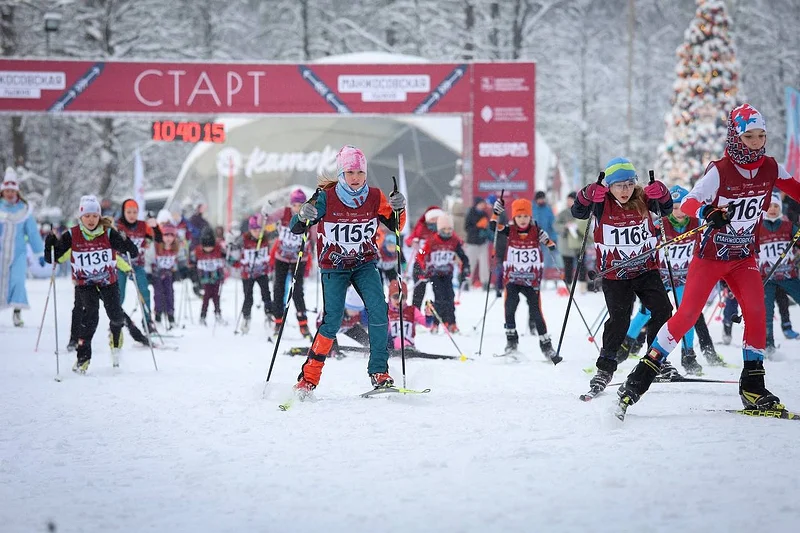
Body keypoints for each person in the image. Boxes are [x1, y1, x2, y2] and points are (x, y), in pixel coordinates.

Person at [618, 103, 800, 413]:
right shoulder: (720, 171)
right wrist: (708, 211)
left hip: (744, 256)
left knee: (756, 313)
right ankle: (640, 376)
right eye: (749, 137)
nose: (756, 143)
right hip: (711, 256)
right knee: (687, 315)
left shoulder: (771, 168)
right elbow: (688, 204)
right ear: (735, 137)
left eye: (761, 136)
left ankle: (753, 386)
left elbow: (795, 190)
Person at [291, 145, 406, 395]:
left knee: (379, 310)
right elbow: (296, 227)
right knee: (332, 321)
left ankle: (379, 372)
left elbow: (396, 225)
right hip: (334, 266)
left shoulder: (375, 197)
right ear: (341, 174)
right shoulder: (325, 197)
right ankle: (308, 379)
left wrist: (400, 207)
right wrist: (303, 214)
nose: (356, 178)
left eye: (360, 173)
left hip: (364, 263)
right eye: (350, 172)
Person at [571, 157, 674, 397]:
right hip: (615, 274)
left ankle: (654, 359)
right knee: (619, 319)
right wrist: (586, 194)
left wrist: (664, 195)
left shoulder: (643, 198)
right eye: (619, 185)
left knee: (663, 310)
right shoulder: (601, 202)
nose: (625, 190)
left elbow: (666, 209)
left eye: (629, 184)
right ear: (609, 186)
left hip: (646, 269)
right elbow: (578, 212)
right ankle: (605, 368)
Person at [616, 185, 726, 374]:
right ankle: (623, 347)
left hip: (684, 278)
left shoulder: (696, 223)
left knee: (687, 315)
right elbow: (643, 242)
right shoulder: (661, 225)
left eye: (682, 206)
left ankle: (688, 355)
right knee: (646, 312)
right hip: (661, 277)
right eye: (674, 207)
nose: (679, 211)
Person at [44, 195, 139, 373]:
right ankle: (83, 358)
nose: (91, 219)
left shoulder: (108, 232)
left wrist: (126, 242)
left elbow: (132, 253)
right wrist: (49, 244)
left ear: (99, 216)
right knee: (90, 318)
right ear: (81, 217)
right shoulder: (72, 235)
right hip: (85, 283)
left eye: (95, 216)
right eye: (87, 216)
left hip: (107, 281)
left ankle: (114, 337)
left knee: (117, 317)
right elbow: (52, 258)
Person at [491, 197, 559, 360]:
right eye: (519, 216)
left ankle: (546, 346)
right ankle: (512, 342)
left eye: (525, 216)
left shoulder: (536, 230)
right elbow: (493, 227)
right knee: (510, 309)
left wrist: (550, 244)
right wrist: (496, 212)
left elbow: (549, 242)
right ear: (514, 217)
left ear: (530, 217)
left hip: (531, 280)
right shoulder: (510, 229)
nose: (522, 220)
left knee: (536, 312)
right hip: (513, 279)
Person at [757, 191, 800, 356]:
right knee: (766, 313)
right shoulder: (758, 228)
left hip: (788, 276)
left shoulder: (788, 226)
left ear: (780, 208)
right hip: (766, 278)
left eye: (776, 206)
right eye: (769, 206)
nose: (772, 209)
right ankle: (768, 345)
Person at [0, 167, 44, 326]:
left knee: (18, 281)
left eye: (13, 191)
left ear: (17, 192)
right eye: (7, 191)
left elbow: (32, 233)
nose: (10, 194)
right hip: (0, 252)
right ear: (3, 192)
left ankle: (17, 313)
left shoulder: (25, 211)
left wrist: (40, 254)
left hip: (18, 254)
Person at [270, 188, 314, 340]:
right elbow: (268, 219)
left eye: (300, 204)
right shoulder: (284, 212)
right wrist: (266, 212)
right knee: (278, 288)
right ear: (291, 204)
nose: (297, 208)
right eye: (295, 204)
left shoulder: (308, 214)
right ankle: (277, 321)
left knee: (297, 291)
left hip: (299, 258)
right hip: (281, 256)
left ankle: (303, 324)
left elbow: (314, 235)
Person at [419, 213, 469, 333]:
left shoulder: (454, 241)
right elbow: (421, 255)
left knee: (450, 297)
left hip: (447, 274)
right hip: (434, 274)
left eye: (449, 229)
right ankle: (435, 323)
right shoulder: (432, 240)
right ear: (439, 229)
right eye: (444, 229)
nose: (447, 232)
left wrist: (465, 269)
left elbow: (462, 256)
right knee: (440, 298)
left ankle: (451, 323)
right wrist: (423, 269)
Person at [116, 199, 157, 329]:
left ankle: (147, 320)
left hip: (137, 264)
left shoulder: (143, 225)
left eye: (135, 212)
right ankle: (116, 321)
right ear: (124, 212)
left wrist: (152, 232)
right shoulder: (119, 226)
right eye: (129, 212)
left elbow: (153, 236)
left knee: (144, 291)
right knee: (119, 293)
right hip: (121, 265)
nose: (132, 215)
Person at [237, 214, 273, 334]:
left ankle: (269, 315)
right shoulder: (244, 239)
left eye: (259, 229)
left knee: (266, 294)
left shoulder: (265, 238)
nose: (257, 232)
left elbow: (274, 231)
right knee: (248, 296)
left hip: (262, 271)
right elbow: (234, 247)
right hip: (248, 273)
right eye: (254, 230)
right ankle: (246, 318)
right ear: (250, 229)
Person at [405, 206, 444, 308]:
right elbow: (409, 239)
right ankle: (415, 314)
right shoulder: (421, 227)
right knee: (419, 291)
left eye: (437, 219)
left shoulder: (443, 228)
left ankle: (438, 316)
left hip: (436, 265)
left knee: (439, 291)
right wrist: (413, 242)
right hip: (420, 264)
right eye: (432, 219)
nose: (434, 222)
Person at [554, 192, 590, 292]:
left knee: (582, 266)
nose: (569, 202)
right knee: (568, 267)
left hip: (579, 244)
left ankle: (583, 286)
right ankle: (568, 287)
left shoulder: (582, 212)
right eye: (568, 200)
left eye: (571, 200)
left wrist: (578, 226)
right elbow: (556, 225)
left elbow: (586, 225)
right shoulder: (563, 213)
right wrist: (565, 226)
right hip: (566, 246)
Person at [387, 279, 434, 350]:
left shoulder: (412, 310)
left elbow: (428, 324)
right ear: (390, 298)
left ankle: (406, 348)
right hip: (389, 343)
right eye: (396, 297)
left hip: (408, 343)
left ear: (406, 298)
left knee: (399, 340)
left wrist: (429, 316)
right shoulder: (385, 310)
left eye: (402, 297)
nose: (399, 300)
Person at [193, 228, 226, 325]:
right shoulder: (199, 252)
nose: (208, 249)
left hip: (216, 278)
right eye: (206, 247)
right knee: (206, 297)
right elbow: (193, 261)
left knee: (216, 296)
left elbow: (227, 257)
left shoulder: (218, 250)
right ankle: (203, 315)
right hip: (205, 279)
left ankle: (217, 313)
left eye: (210, 247)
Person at [151, 222, 179, 329]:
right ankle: (158, 314)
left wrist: (177, 271)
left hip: (168, 274)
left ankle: (170, 315)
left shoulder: (175, 248)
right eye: (166, 235)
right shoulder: (158, 246)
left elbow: (175, 261)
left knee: (169, 293)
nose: (168, 238)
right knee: (158, 294)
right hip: (157, 274)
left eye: (171, 235)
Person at [464, 197, 491, 290]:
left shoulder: (484, 214)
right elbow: (467, 228)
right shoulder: (470, 213)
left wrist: (485, 230)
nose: (482, 205)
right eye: (481, 204)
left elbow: (488, 227)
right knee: (470, 263)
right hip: (472, 243)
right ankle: (467, 282)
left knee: (484, 264)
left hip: (482, 242)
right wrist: (477, 227)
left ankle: (485, 282)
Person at [533, 191, 559, 272]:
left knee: (547, 259)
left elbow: (553, 223)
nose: (542, 201)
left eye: (543, 199)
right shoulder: (532, 208)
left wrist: (554, 238)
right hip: (534, 239)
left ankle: (545, 277)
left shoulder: (548, 209)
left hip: (546, 237)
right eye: (540, 199)